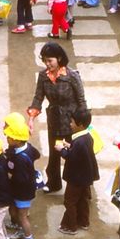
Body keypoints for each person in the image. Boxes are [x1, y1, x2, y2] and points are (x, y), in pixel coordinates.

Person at [26, 42, 87, 193]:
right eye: (45, 61)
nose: (47, 64)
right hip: (54, 119)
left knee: (74, 154)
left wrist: (82, 122)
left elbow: (81, 100)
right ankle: (54, 183)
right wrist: (31, 118)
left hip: (72, 121)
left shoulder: (72, 76)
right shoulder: (43, 76)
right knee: (54, 153)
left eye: (50, 60)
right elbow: (38, 97)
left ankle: (82, 186)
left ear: (59, 58)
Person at [56, 108, 100, 235]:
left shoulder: (79, 142)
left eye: (72, 122)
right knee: (83, 199)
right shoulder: (86, 137)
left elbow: (71, 158)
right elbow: (79, 153)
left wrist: (61, 150)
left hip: (76, 178)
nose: (70, 124)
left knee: (69, 201)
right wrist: (70, 146)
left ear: (80, 125)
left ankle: (70, 226)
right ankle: (84, 222)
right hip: (86, 177)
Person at [3, 114, 40, 239]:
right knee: (18, 213)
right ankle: (21, 231)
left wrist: (10, 176)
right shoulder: (27, 148)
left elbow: (22, 179)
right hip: (22, 190)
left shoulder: (20, 158)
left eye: (9, 137)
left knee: (23, 216)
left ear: (17, 141)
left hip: (23, 192)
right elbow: (37, 154)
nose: (7, 138)